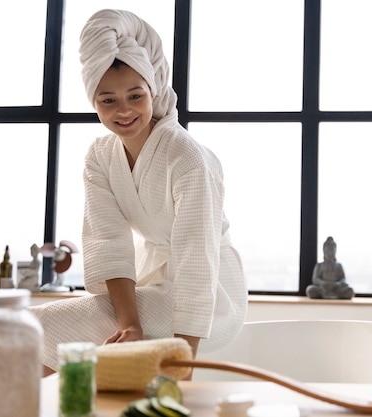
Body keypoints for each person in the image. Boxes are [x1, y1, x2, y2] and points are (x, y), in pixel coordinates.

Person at [30, 9, 247, 374]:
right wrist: (129, 324)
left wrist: (184, 359)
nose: (124, 110)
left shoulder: (188, 158)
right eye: (108, 100)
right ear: (93, 102)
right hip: (154, 282)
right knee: (42, 325)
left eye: (135, 95)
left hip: (210, 298)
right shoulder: (100, 157)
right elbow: (108, 241)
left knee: (42, 327)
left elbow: (197, 258)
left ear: (153, 91)